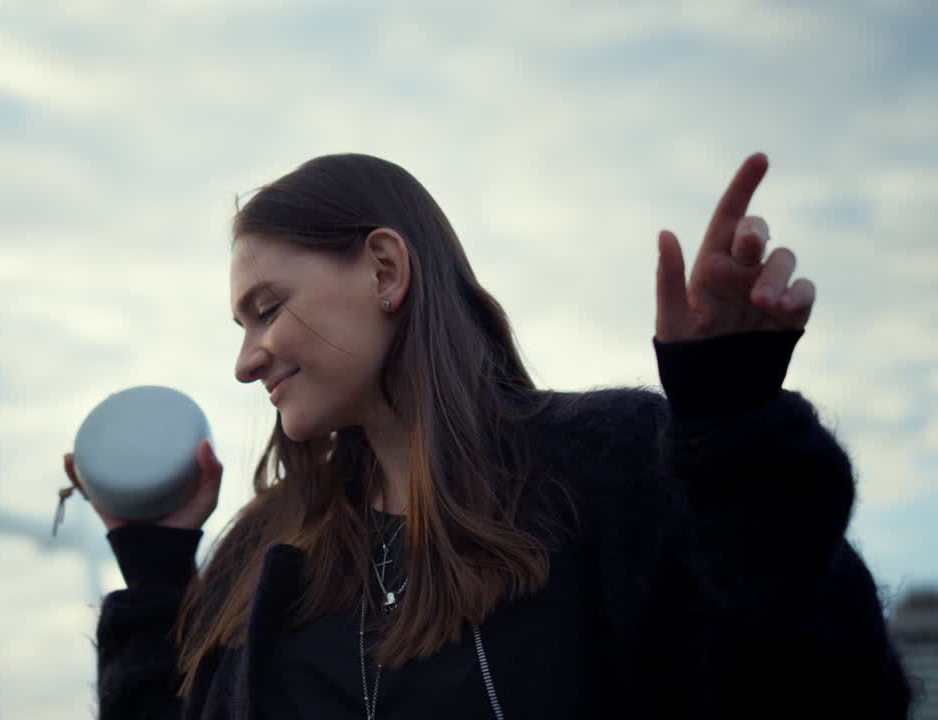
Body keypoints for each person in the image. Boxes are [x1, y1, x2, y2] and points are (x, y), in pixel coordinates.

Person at [63, 153, 914, 719]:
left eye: (266, 309)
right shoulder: (260, 553)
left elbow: (826, 692)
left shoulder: (613, 468)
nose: (246, 362)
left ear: (386, 270)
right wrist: (154, 570)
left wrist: (735, 426)